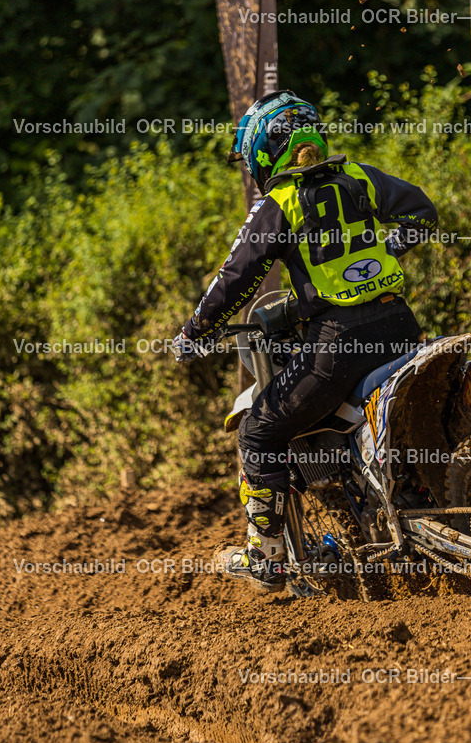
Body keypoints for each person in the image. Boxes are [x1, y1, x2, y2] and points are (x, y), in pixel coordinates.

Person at [172, 90, 438, 591]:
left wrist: (193, 332)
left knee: (257, 431)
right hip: (399, 324)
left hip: (338, 344)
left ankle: (267, 559)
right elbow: (422, 213)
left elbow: (236, 277)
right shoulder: (360, 176)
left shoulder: (281, 202)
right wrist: (386, 251)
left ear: (262, 152)